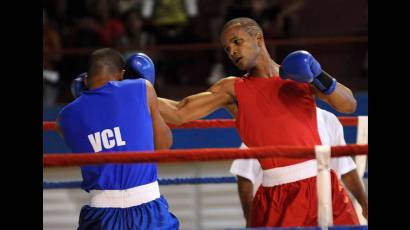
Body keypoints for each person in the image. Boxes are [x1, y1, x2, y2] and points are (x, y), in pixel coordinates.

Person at [157, 17, 359, 227]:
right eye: (227, 49)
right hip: (278, 195)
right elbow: (179, 112)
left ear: (259, 38)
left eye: (237, 42)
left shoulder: (297, 75)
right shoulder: (234, 89)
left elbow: (348, 105)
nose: (232, 52)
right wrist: (139, 91)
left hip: (325, 186)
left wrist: (318, 74)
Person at [56, 48, 179, 230]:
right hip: (148, 208)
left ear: (86, 79)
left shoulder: (64, 118)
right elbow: (163, 145)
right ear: (121, 74)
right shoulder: (141, 88)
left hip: (101, 214)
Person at [230, 107, 368, 227]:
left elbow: (345, 167)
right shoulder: (267, 124)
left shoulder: (327, 119)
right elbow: (245, 174)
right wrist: (250, 218)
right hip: (281, 204)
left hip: (328, 199)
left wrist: (364, 202)